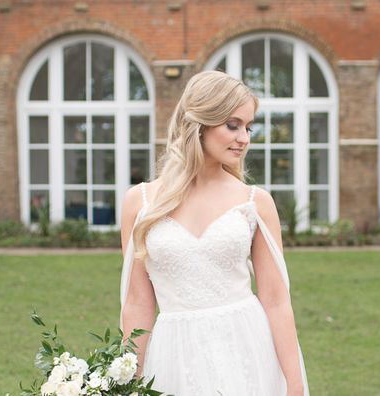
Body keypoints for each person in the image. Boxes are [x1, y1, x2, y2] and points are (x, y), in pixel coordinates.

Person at [120, 70, 310, 395]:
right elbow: (137, 302)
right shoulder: (140, 202)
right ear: (200, 123)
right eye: (233, 125)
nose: (244, 138)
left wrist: (294, 384)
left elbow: (276, 301)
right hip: (173, 356)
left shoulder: (255, 203)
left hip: (246, 347)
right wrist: (125, 379)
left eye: (249, 127)